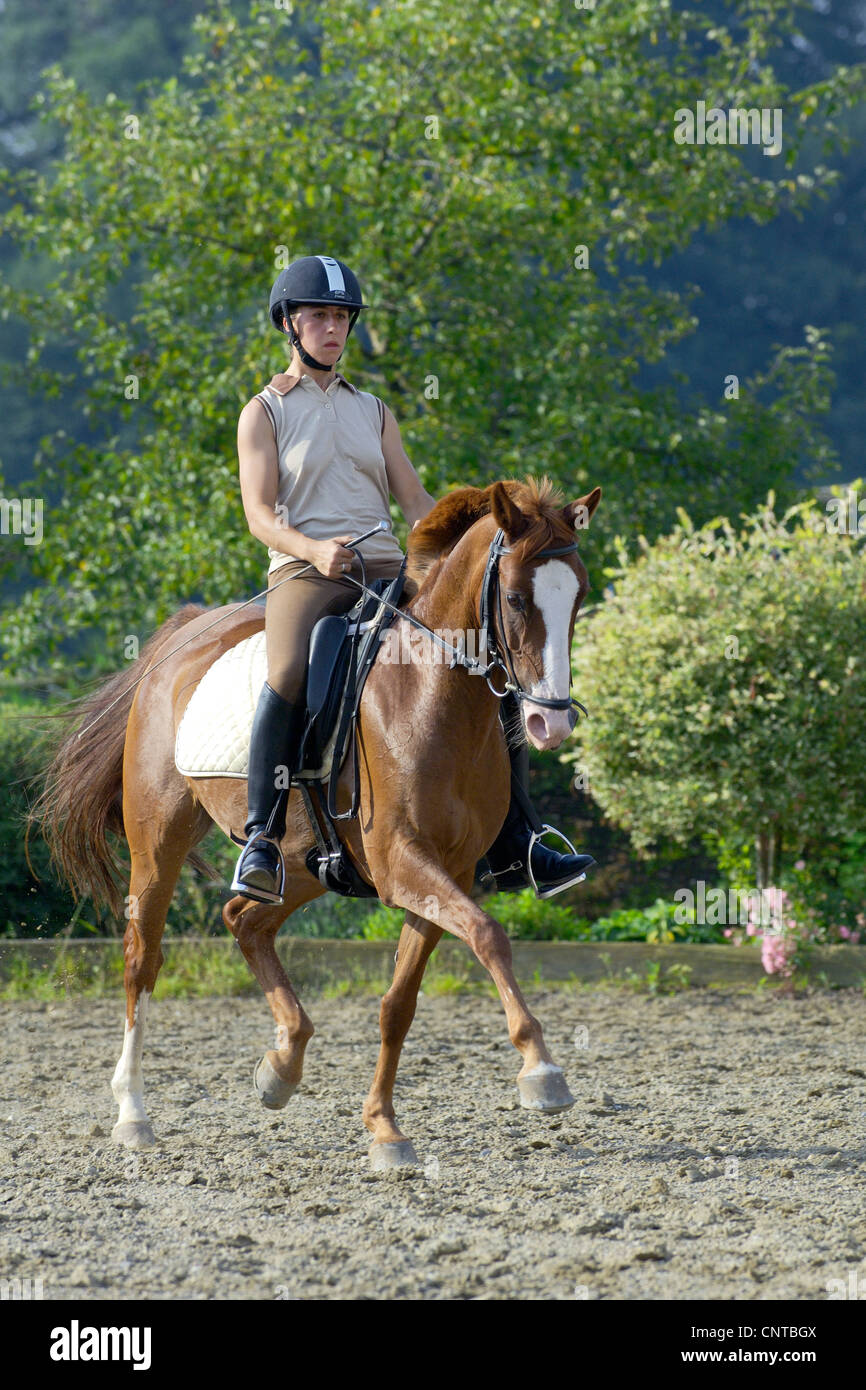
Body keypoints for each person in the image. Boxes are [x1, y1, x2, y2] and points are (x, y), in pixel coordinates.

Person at [231, 254, 595, 904]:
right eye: (319, 316)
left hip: (385, 570)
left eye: (341, 317)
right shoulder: (264, 412)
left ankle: (520, 839)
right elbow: (259, 515)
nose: (333, 328)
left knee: (487, 660)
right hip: (307, 574)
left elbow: (417, 505)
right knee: (288, 673)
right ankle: (261, 838)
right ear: (289, 323)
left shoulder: (373, 410)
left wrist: (488, 532)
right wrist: (312, 551)